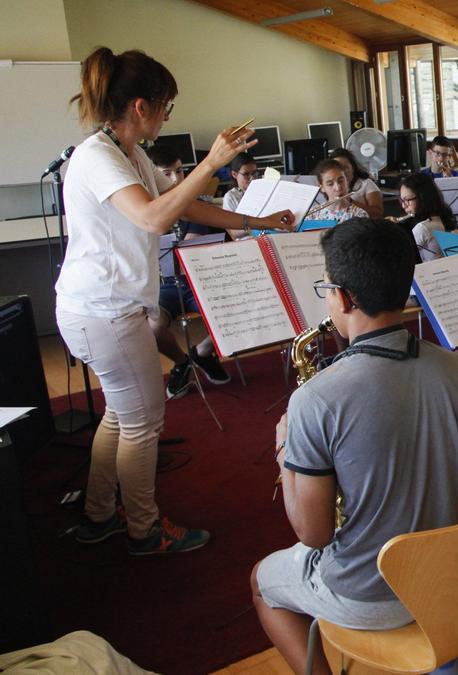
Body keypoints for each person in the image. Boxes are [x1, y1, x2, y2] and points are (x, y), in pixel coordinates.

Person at [57, 47, 293, 554]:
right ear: (140, 107)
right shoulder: (97, 157)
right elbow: (156, 218)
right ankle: (143, 528)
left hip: (108, 308)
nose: (168, 116)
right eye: (166, 106)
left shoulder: (127, 151)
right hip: (104, 311)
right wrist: (213, 160)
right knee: (143, 422)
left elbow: (188, 206)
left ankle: (99, 513)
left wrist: (258, 223)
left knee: (121, 416)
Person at [251, 218, 458, 675]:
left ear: (344, 297)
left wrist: (287, 457)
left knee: (261, 583)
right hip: (455, 578)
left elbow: (314, 534)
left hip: (372, 596)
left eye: (326, 286)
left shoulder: (316, 398)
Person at [143, 145, 231, 398]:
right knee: (155, 325)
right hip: (164, 285)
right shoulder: (144, 208)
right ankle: (182, 362)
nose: (176, 179)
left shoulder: (197, 205)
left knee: (235, 312)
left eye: (180, 171)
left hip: (197, 280)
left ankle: (202, 352)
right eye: (167, 174)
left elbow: (189, 249)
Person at [397, 172, 453, 262]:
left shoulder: (423, 228)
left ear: (423, 198)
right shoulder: (439, 218)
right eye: (402, 200)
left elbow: (398, 253)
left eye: (407, 200)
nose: (404, 206)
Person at [329, 148, 384, 218]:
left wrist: (350, 201)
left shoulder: (366, 183)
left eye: (345, 167)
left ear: (353, 167)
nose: (342, 172)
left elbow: (378, 214)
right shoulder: (331, 188)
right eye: (338, 168)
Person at [309, 159, 368, 223]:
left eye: (341, 181)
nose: (338, 188)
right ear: (322, 188)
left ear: (347, 181)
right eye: (330, 184)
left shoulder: (359, 215)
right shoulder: (312, 214)